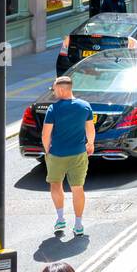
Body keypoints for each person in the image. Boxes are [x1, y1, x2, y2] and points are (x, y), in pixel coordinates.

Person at [42, 76, 94, 236]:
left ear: (62, 89)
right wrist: (90, 143)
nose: (53, 92)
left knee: (56, 185)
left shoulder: (53, 109)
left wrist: (47, 150)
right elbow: (90, 130)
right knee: (78, 188)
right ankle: (78, 224)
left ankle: (60, 218)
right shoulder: (85, 106)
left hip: (57, 154)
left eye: (55, 89)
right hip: (78, 154)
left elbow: (46, 134)